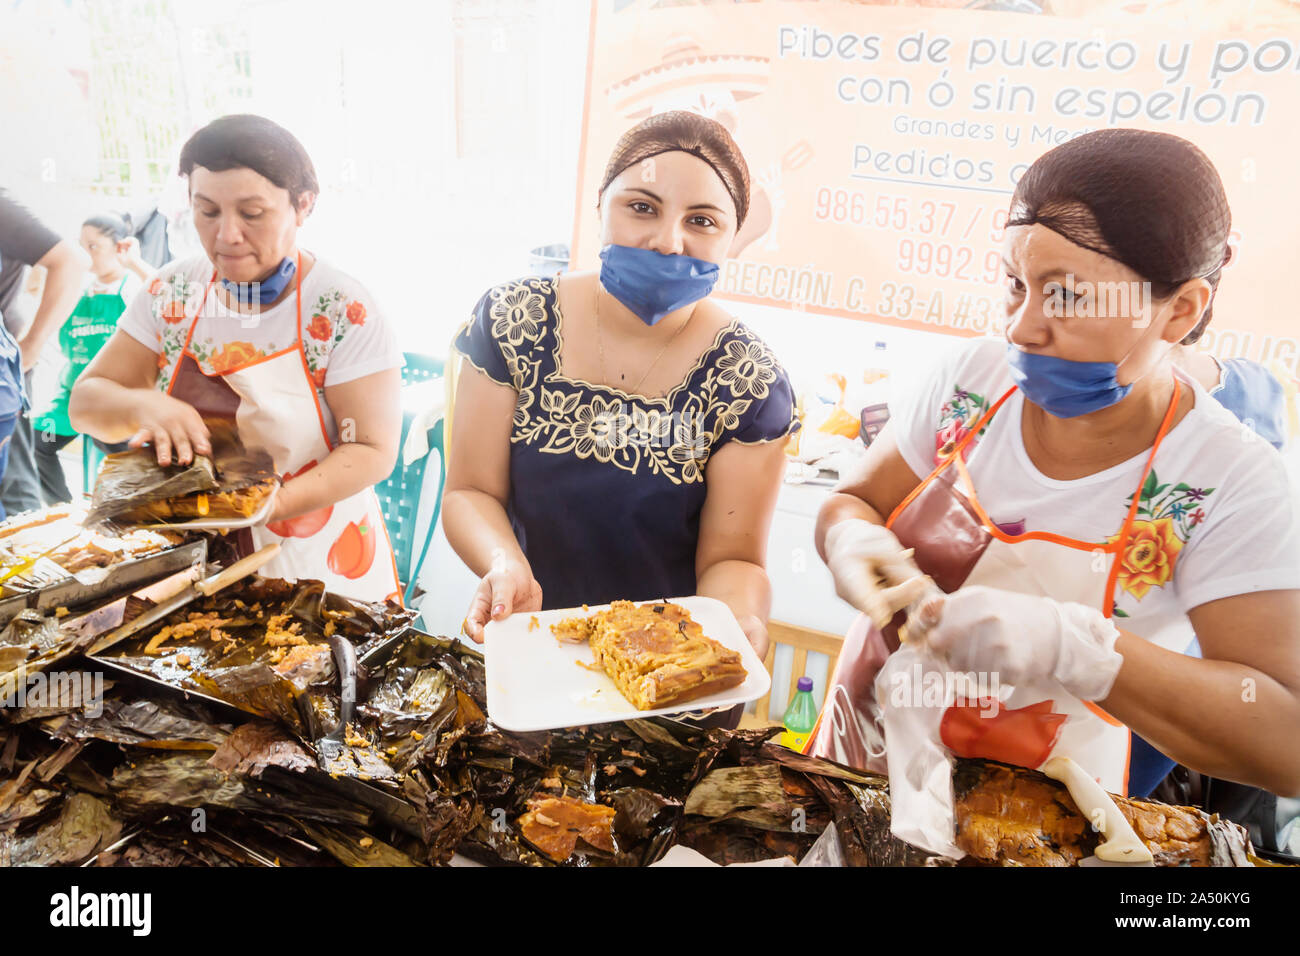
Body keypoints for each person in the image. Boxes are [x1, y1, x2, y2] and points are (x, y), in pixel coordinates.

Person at [810, 128, 1300, 800]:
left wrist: (1079, 650)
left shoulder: (1223, 478)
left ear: (1180, 311)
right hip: (860, 766)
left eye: (1066, 295)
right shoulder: (971, 383)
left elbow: (1283, 739)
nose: (1021, 327)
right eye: (1016, 284)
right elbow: (858, 501)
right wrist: (847, 537)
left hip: (1033, 816)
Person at [444, 111, 798, 674]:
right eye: (642, 207)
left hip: (671, 676)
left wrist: (736, 617)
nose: (667, 241)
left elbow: (734, 558)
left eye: (702, 221)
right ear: (600, 207)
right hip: (534, 652)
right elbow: (469, 491)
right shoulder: (515, 321)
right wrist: (503, 563)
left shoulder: (747, 379)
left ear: (735, 238)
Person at [69, 115, 404, 603]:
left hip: (315, 562)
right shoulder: (171, 292)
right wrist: (146, 407)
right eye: (207, 211)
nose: (226, 235)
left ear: (303, 205)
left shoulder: (342, 308)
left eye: (252, 213)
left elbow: (372, 450)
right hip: (187, 561)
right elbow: (86, 402)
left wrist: (265, 505)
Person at [31, 213, 153, 504]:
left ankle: (131, 513)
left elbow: (171, 293)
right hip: (71, 396)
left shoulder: (133, 288)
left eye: (93, 246)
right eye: (81, 246)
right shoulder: (77, 289)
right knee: (39, 443)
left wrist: (134, 263)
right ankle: (62, 509)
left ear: (119, 247)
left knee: (125, 454)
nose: (86, 255)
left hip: (114, 397)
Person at [0, 188, 90, 517]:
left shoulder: (2, 209)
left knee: (13, 484)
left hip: (4, 373)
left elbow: (71, 261)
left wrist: (32, 345)